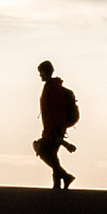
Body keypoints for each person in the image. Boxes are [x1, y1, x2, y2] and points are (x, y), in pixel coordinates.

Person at [34, 60, 77, 190]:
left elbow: (58, 109)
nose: (40, 75)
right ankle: (60, 181)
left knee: (45, 152)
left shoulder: (53, 87)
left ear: (46, 72)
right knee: (49, 153)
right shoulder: (49, 86)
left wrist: (56, 128)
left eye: (41, 73)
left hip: (56, 128)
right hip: (51, 128)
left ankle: (63, 178)